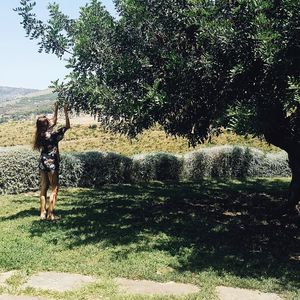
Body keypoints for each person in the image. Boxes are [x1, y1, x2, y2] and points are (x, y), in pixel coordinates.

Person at [33, 103, 70, 220]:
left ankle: (42, 212)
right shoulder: (53, 135)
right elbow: (67, 126)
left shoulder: (40, 134)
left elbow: (53, 121)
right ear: (47, 124)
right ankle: (50, 214)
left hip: (42, 162)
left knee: (43, 188)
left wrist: (56, 109)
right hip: (52, 162)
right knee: (55, 188)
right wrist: (65, 112)